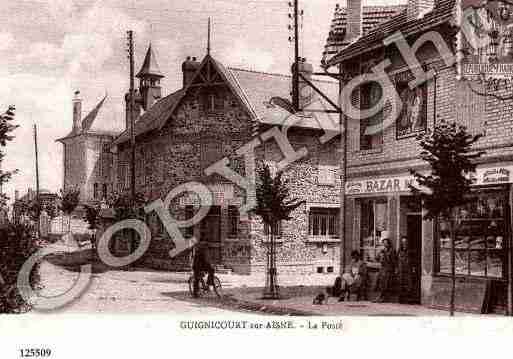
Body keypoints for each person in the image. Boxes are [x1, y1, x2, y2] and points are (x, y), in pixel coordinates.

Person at [374, 237, 396, 303]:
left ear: (389, 244)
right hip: (382, 268)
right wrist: (379, 252)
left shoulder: (392, 251)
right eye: (384, 243)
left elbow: (393, 261)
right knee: (379, 281)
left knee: (385, 283)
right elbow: (376, 258)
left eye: (386, 243)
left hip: (388, 268)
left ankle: (383, 297)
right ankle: (379, 296)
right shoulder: (382, 250)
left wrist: (386, 254)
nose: (385, 245)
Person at [397, 236, 413, 304]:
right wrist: (397, 269)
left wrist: (412, 268)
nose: (404, 243)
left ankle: (408, 299)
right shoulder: (399, 250)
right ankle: (401, 299)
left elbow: (412, 260)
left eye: (405, 242)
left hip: (408, 269)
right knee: (401, 283)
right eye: (403, 242)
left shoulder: (410, 250)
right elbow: (397, 259)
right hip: (401, 269)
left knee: (408, 284)